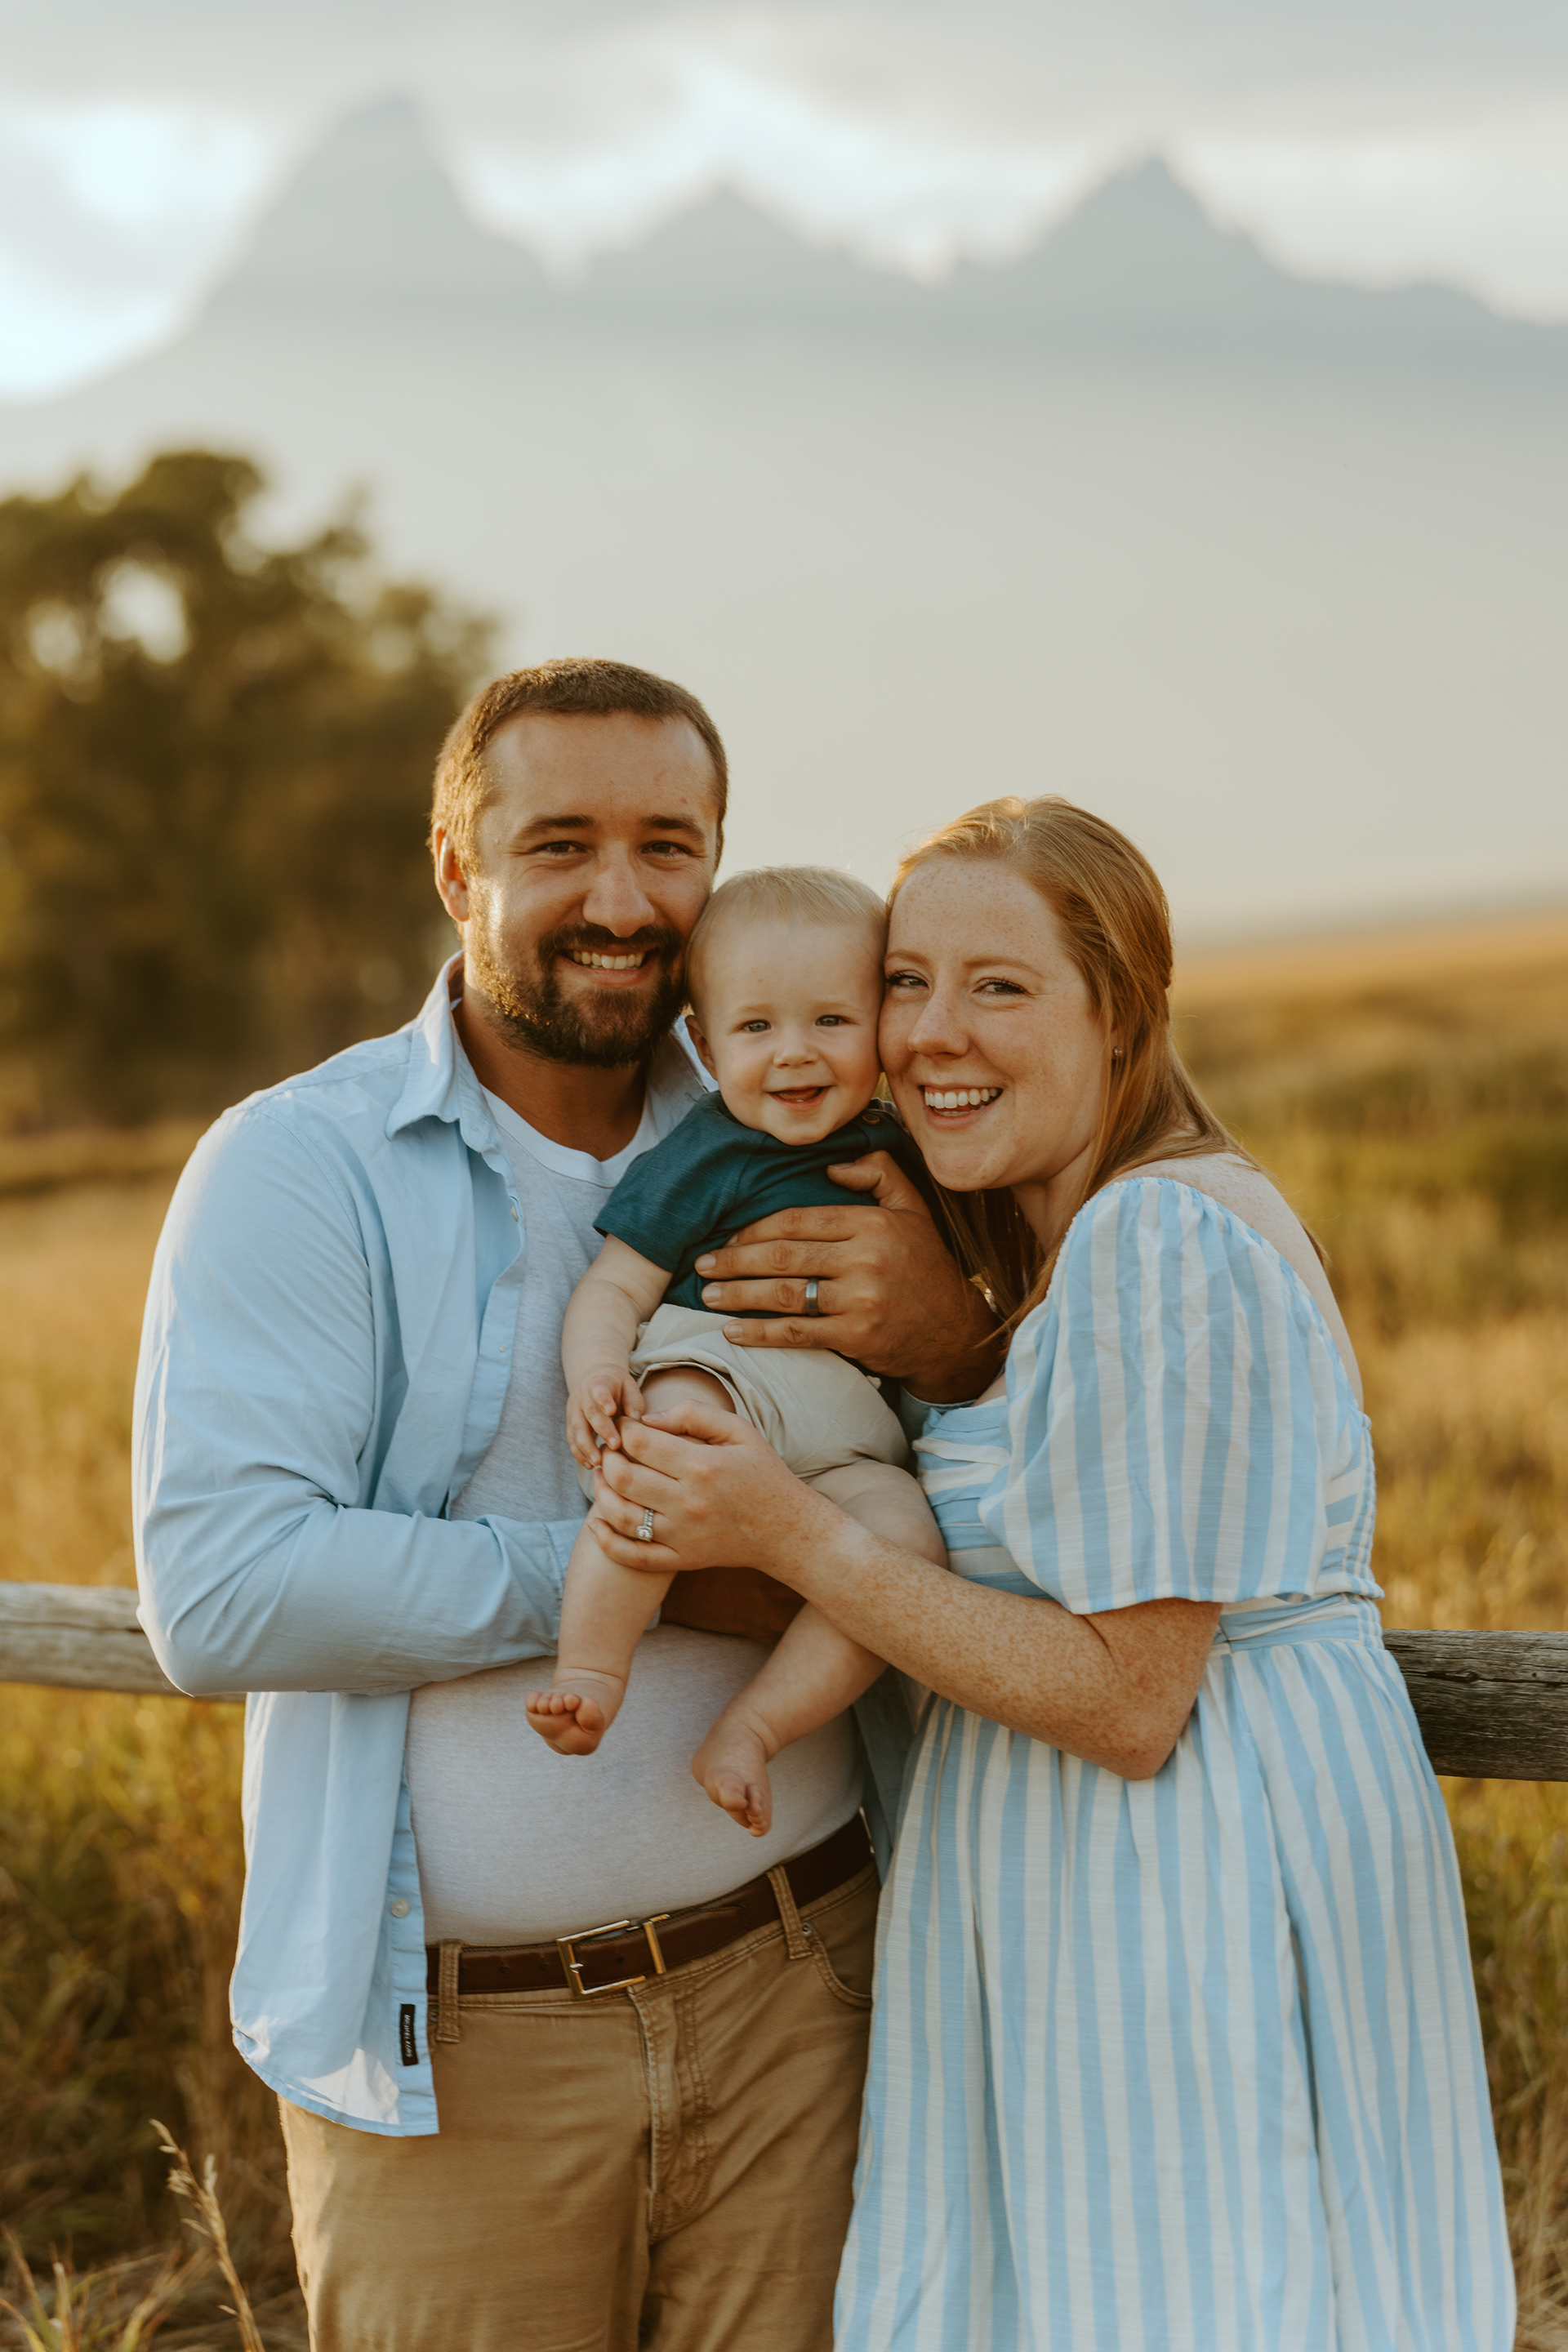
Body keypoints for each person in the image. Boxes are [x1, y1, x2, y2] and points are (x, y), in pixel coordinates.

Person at [131, 660, 997, 2352]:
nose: (623, 902)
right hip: (465, 2055)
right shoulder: (301, 1167)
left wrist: (948, 1337)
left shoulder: (804, 1124)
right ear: (460, 870)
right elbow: (225, 1591)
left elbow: (982, 1475)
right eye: (563, 846)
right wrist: (670, 1569)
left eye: (669, 847)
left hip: (805, 1992)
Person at [581, 795, 1516, 2350]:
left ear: (1124, 1012)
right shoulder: (1084, 1247)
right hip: (1116, 1879)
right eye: (906, 980)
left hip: (1178, 1887)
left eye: (1000, 987)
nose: (934, 1033)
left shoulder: (1157, 1241)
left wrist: (785, 1523)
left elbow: (1133, 1698)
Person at [530, 866, 947, 1837]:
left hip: (844, 1434)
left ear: (881, 1028)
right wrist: (595, 1374)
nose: (795, 1055)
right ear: (707, 1044)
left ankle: (755, 1729)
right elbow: (616, 1288)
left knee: (906, 1546)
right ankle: (590, 1672)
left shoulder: (909, 1153)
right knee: (659, 1469)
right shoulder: (709, 1152)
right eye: (758, 1029)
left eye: (832, 1023)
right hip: (718, 1374)